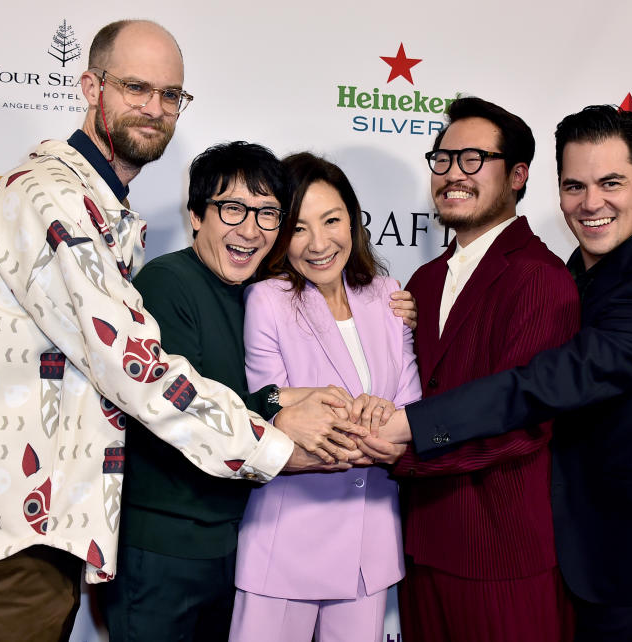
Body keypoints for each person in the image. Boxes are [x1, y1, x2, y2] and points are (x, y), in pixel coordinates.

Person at [0, 21, 359, 642]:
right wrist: (278, 446)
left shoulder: (99, 204)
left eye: (171, 94)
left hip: (40, 527)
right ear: (90, 86)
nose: (154, 108)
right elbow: (135, 368)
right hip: (4, 534)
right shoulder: (54, 200)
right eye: (135, 88)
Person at [372, 105, 632, 642]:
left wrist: (412, 426)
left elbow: (544, 383)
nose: (591, 203)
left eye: (611, 183)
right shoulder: (578, 269)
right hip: (573, 539)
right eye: (574, 186)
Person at [99, 141, 415, 640]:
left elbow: (405, 399)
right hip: (169, 546)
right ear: (197, 215)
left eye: (267, 214)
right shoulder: (170, 283)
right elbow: (183, 408)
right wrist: (281, 404)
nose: (250, 229)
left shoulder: (263, 290)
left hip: (231, 538)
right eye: (232, 210)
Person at [389, 96, 578, 641]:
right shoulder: (422, 281)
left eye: (474, 160)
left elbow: (522, 424)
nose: (453, 174)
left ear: (518, 176)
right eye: (443, 159)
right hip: (420, 547)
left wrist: (402, 453)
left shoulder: (540, 279)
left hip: (500, 554)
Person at [229, 152, 422, 642]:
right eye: (297, 227)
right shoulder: (267, 300)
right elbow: (273, 413)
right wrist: (381, 426)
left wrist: (391, 419)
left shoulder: (387, 295)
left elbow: (411, 406)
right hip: (287, 538)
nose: (319, 243)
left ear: (353, 220)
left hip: (369, 542)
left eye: (331, 220)